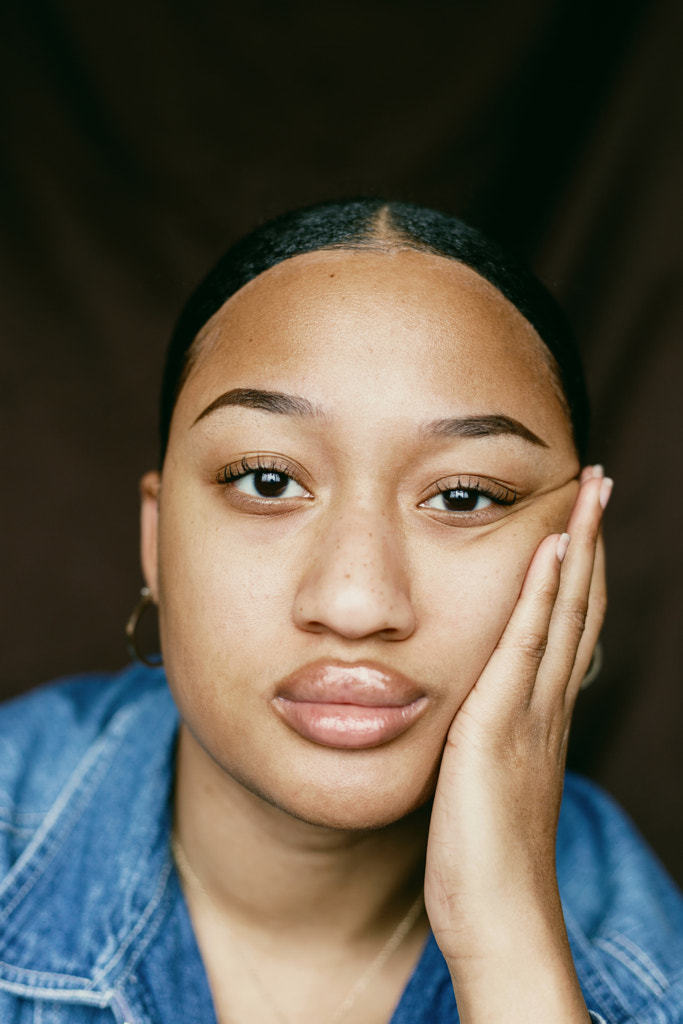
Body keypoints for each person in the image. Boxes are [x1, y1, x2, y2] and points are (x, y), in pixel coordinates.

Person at [0, 199, 681, 1024]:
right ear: (156, 538)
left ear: (579, 554)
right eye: (267, 481)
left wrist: (504, 942)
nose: (356, 602)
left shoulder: (645, 971)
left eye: (462, 496)